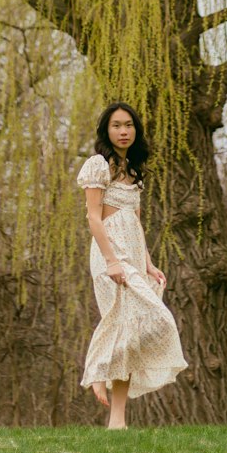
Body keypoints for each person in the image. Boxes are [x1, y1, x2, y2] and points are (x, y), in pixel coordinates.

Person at [76, 102, 188, 428]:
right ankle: (98, 369)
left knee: (132, 330)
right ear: (106, 130)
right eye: (116, 125)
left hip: (133, 253)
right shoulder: (99, 165)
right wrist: (112, 261)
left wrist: (149, 264)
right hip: (109, 254)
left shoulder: (134, 170)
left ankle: (117, 420)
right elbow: (93, 218)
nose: (123, 131)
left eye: (128, 125)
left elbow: (136, 222)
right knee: (140, 319)